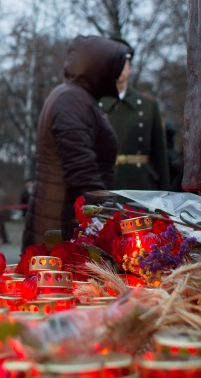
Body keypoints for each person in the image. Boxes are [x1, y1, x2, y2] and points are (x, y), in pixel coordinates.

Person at [22, 35, 132, 250]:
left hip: (60, 220)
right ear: (100, 68)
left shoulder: (77, 97)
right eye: (114, 67)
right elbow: (82, 172)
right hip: (61, 226)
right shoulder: (72, 101)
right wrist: (106, 219)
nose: (119, 74)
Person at [98, 43, 170, 191]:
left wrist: (165, 195)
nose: (117, 67)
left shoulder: (148, 106)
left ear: (129, 68)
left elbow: (160, 156)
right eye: (113, 61)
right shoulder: (94, 105)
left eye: (122, 62)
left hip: (141, 186)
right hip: (105, 186)